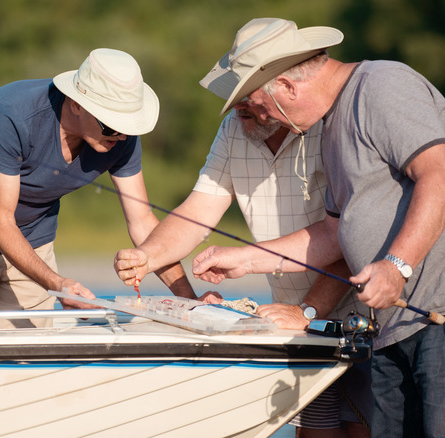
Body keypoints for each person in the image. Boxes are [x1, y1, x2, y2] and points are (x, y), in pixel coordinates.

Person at [189, 18, 445, 437]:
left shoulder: (382, 85)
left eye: (258, 104)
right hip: (395, 320)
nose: (259, 116)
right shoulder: (329, 125)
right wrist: (245, 259)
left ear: (287, 87)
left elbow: (442, 180)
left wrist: (395, 267)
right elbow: (334, 233)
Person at [114, 19, 371, 437]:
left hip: (357, 314)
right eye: (234, 96)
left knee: (365, 429)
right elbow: (198, 209)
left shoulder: (330, 126)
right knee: (315, 431)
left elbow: (349, 237)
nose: (237, 107)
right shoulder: (234, 129)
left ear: (280, 86)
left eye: (245, 96)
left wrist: (308, 311)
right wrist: (148, 255)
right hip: (289, 321)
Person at [0, 48, 193, 332]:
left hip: (32, 238)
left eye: (128, 124)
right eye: (112, 124)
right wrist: (56, 283)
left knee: (29, 359)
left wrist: (188, 302)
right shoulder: (10, 116)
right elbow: (0, 223)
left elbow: (142, 220)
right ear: (77, 104)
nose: (123, 134)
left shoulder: (120, 136)